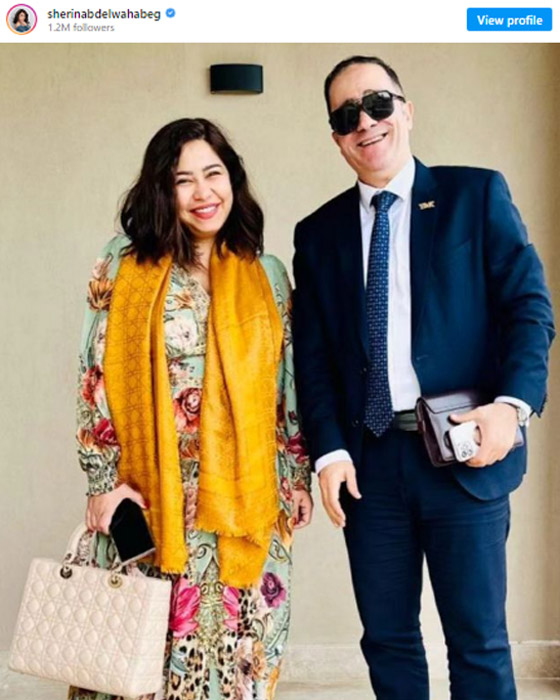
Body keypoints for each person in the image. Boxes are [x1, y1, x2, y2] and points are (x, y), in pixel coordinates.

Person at [292, 55, 554, 700]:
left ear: (406, 112)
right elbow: (314, 358)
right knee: (387, 641)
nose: (365, 122)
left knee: (479, 642)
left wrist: (512, 406)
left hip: (463, 451)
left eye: (378, 104)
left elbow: (529, 308)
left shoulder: (475, 195)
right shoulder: (318, 234)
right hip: (370, 466)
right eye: (347, 115)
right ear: (335, 137)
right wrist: (329, 451)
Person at [69, 117, 313, 700]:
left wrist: (297, 477)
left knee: (239, 659)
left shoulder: (268, 275)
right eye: (184, 180)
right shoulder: (124, 264)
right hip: (152, 495)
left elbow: (287, 385)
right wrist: (101, 482)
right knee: (138, 660)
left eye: (214, 174)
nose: (204, 192)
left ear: (233, 180)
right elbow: (93, 373)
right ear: (162, 190)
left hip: (248, 498)